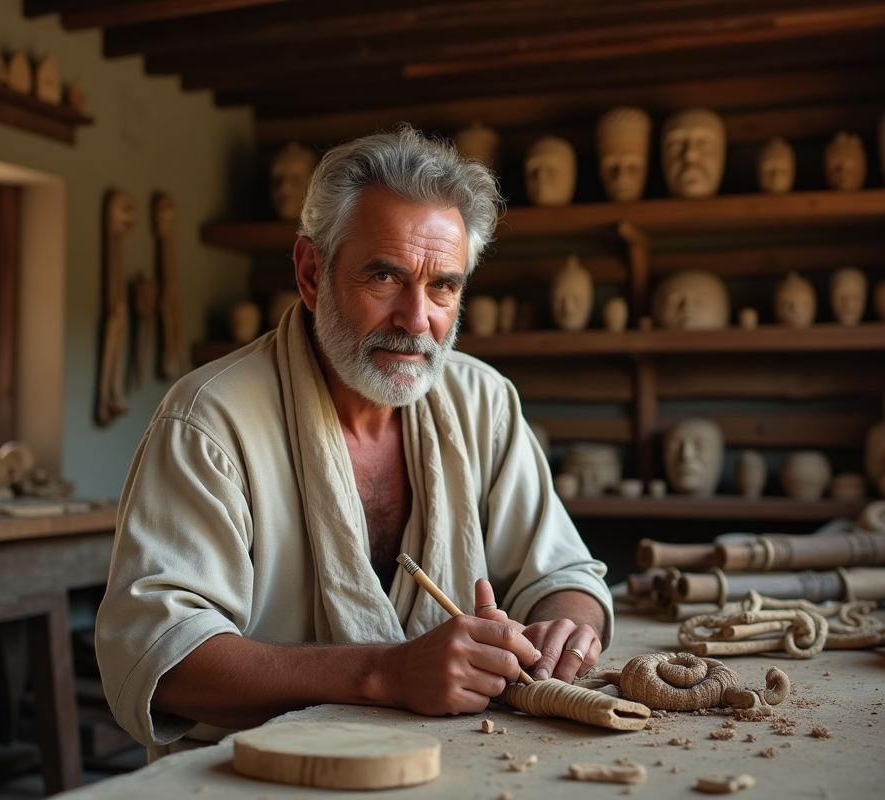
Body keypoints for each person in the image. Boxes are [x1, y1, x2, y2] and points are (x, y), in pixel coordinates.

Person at [96, 125, 613, 758]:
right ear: (311, 272)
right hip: (253, 780)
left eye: (443, 286)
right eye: (385, 278)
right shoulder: (210, 418)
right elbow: (163, 657)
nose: (417, 319)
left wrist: (570, 627)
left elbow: (563, 573)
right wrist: (386, 674)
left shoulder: (484, 402)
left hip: (453, 765)